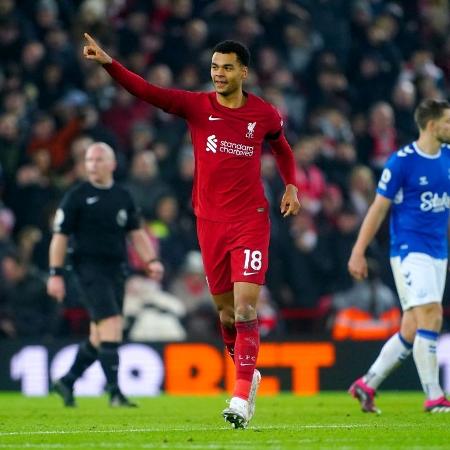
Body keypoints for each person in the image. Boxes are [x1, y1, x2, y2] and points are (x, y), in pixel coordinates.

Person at [82, 34, 300, 428]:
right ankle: (248, 374)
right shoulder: (197, 107)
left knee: (247, 307)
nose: (218, 74)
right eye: (215, 67)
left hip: (250, 220)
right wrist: (109, 63)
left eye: (227, 67)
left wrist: (291, 185)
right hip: (209, 222)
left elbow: (282, 148)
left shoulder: (264, 114)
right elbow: (148, 91)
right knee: (227, 314)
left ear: (243, 72)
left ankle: (240, 395)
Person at [347, 99, 450, 413]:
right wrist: (358, 251)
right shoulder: (401, 162)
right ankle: (434, 396)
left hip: (437, 252)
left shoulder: (448, 158)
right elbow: (378, 209)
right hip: (408, 250)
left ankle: (367, 384)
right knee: (431, 314)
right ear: (432, 125)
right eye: (448, 121)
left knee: (410, 327)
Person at [47, 142, 164, 408]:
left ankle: (66, 381)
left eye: (98, 159)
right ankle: (115, 394)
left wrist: (151, 260)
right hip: (88, 270)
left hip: (116, 270)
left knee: (100, 336)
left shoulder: (123, 196)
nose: (92, 165)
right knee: (111, 325)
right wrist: (55, 274)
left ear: (112, 164)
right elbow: (60, 237)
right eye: (89, 160)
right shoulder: (76, 196)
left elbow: (136, 233)